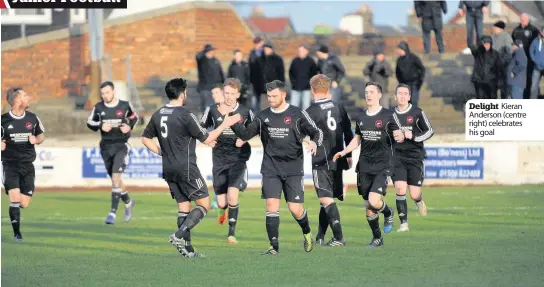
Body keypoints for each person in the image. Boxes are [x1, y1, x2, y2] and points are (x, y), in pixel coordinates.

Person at [141, 78, 241, 258]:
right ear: (182, 94)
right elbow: (207, 138)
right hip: (186, 167)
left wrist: (161, 152)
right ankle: (179, 236)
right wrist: (225, 124)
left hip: (168, 168)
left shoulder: (157, 114)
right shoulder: (185, 114)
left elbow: (145, 138)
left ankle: (188, 251)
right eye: (186, 92)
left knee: (183, 208)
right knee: (203, 204)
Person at [229, 80, 323, 255]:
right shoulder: (262, 116)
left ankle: (307, 232)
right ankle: (274, 247)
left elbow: (316, 132)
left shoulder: (298, 114)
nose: (271, 99)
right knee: (271, 205)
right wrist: (233, 123)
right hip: (270, 168)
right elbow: (246, 134)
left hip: (293, 169)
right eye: (269, 96)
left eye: (274, 96)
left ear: (283, 94)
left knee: (295, 208)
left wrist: (315, 143)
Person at [333, 82, 405, 247]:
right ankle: (377, 238)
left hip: (383, 165)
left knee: (374, 200)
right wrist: (345, 151)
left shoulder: (389, 115)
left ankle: (388, 211)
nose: (368, 95)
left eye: (372, 92)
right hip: (365, 165)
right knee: (368, 206)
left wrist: (399, 136)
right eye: (366, 92)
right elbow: (357, 138)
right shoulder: (361, 117)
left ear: (379, 95)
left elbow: (397, 132)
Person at [201, 78, 255, 244]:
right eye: (226, 93)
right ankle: (221, 210)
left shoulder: (245, 111)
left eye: (232, 93)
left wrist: (244, 139)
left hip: (238, 157)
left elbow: (256, 128)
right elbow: (200, 128)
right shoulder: (212, 110)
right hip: (219, 158)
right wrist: (207, 140)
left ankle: (231, 233)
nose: (229, 97)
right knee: (222, 202)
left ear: (238, 94)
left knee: (232, 197)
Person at [305, 74, 354, 247]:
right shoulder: (339, 107)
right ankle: (320, 236)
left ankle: (339, 238)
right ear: (328, 90)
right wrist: (348, 156)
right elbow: (349, 133)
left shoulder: (310, 111)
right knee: (327, 199)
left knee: (326, 199)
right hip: (338, 158)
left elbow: (300, 134)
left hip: (321, 161)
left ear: (312, 90)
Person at [87, 81, 137, 225]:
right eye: (102, 93)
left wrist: (129, 126)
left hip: (121, 146)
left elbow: (135, 118)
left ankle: (112, 213)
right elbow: (90, 123)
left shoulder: (125, 105)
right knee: (116, 180)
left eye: (107, 92)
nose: (104, 96)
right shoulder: (98, 107)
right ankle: (128, 202)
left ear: (113, 91)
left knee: (115, 178)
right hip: (105, 147)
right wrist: (100, 125)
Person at [1, 87, 45, 242]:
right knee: (14, 198)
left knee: (24, 203)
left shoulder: (33, 118)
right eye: (26, 96)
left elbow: (41, 136)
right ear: (17, 100)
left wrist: (37, 140)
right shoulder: (3, 120)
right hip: (9, 164)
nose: (29, 98)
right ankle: (17, 234)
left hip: (27, 166)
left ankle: (15, 211)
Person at [391, 84, 433, 232]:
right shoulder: (390, 115)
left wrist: (413, 136)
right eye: (399, 93)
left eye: (405, 94)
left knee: (414, 193)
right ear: (395, 96)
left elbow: (430, 131)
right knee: (400, 188)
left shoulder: (417, 112)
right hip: (397, 157)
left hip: (415, 156)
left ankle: (419, 200)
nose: (402, 96)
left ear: (409, 97)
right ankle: (404, 224)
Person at [512, 13, 540, 99]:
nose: (523, 21)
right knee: (519, 81)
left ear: (528, 20)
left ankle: (527, 98)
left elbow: (536, 45)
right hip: (518, 60)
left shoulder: (534, 30)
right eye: (521, 19)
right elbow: (512, 42)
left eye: (524, 19)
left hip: (530, 59)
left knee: (529, 80)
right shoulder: (516, 30)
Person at [469, 36, 502, 100]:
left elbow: (499, 68)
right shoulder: (478, 52)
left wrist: (500, 81)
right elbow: (471, 46)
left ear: (491, 44)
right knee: (481, 98)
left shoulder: (495, 54)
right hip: (479, 80)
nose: (486, 46)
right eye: (485, 44)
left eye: (488, 44)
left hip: (491, 81)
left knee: (492, 98)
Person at [196, 44, 225, 114]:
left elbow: (221, 73)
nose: (212, 52)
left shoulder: (216, 60)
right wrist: (204, 51)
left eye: (212, 50)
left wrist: (223, 85)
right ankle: (206, 122)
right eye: (210, 51)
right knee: (207, 107)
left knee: (214, 107)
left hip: (216, 88)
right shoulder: (202, 60)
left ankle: (211, 122)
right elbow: (197, 56)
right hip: (205, 88)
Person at [395, 41, 425, 107]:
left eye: (400, 49)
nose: (398, 51)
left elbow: (422, 68)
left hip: (415, 82)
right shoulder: (399, 60)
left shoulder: (413, 57)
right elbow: (397, 72)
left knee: (414, 100)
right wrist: (401, 82)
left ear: (404, 49)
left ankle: (414, 115)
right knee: (407, 102)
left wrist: (421, 79)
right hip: (405, 83)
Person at [289, 45, 318, 110]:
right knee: (293, 106)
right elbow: (290, 73)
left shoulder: (311, 61)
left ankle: (305, 119)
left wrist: (310, 84)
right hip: (295, 88)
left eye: (301, 51)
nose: (299, 52)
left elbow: (314, 74)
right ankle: (295, 119)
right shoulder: (294, 61)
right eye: (299, 51)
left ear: (306, 51)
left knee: (306, 106)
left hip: (306, 89)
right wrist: (293, 83)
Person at [492, 20, 513, 99]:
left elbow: (509, 51)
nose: (494, 29)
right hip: (494, 66)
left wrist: (503, 61)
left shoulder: (506, 36)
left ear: (500, 28)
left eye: (495, 27)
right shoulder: (493, 37)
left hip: (504, 66)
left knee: (504, 87)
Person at [529, 26, 544, 100]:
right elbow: (531, 51)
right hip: (537, 67)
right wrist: (535, 60)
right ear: (541, 32)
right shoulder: (536, 41)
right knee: (534, 86)